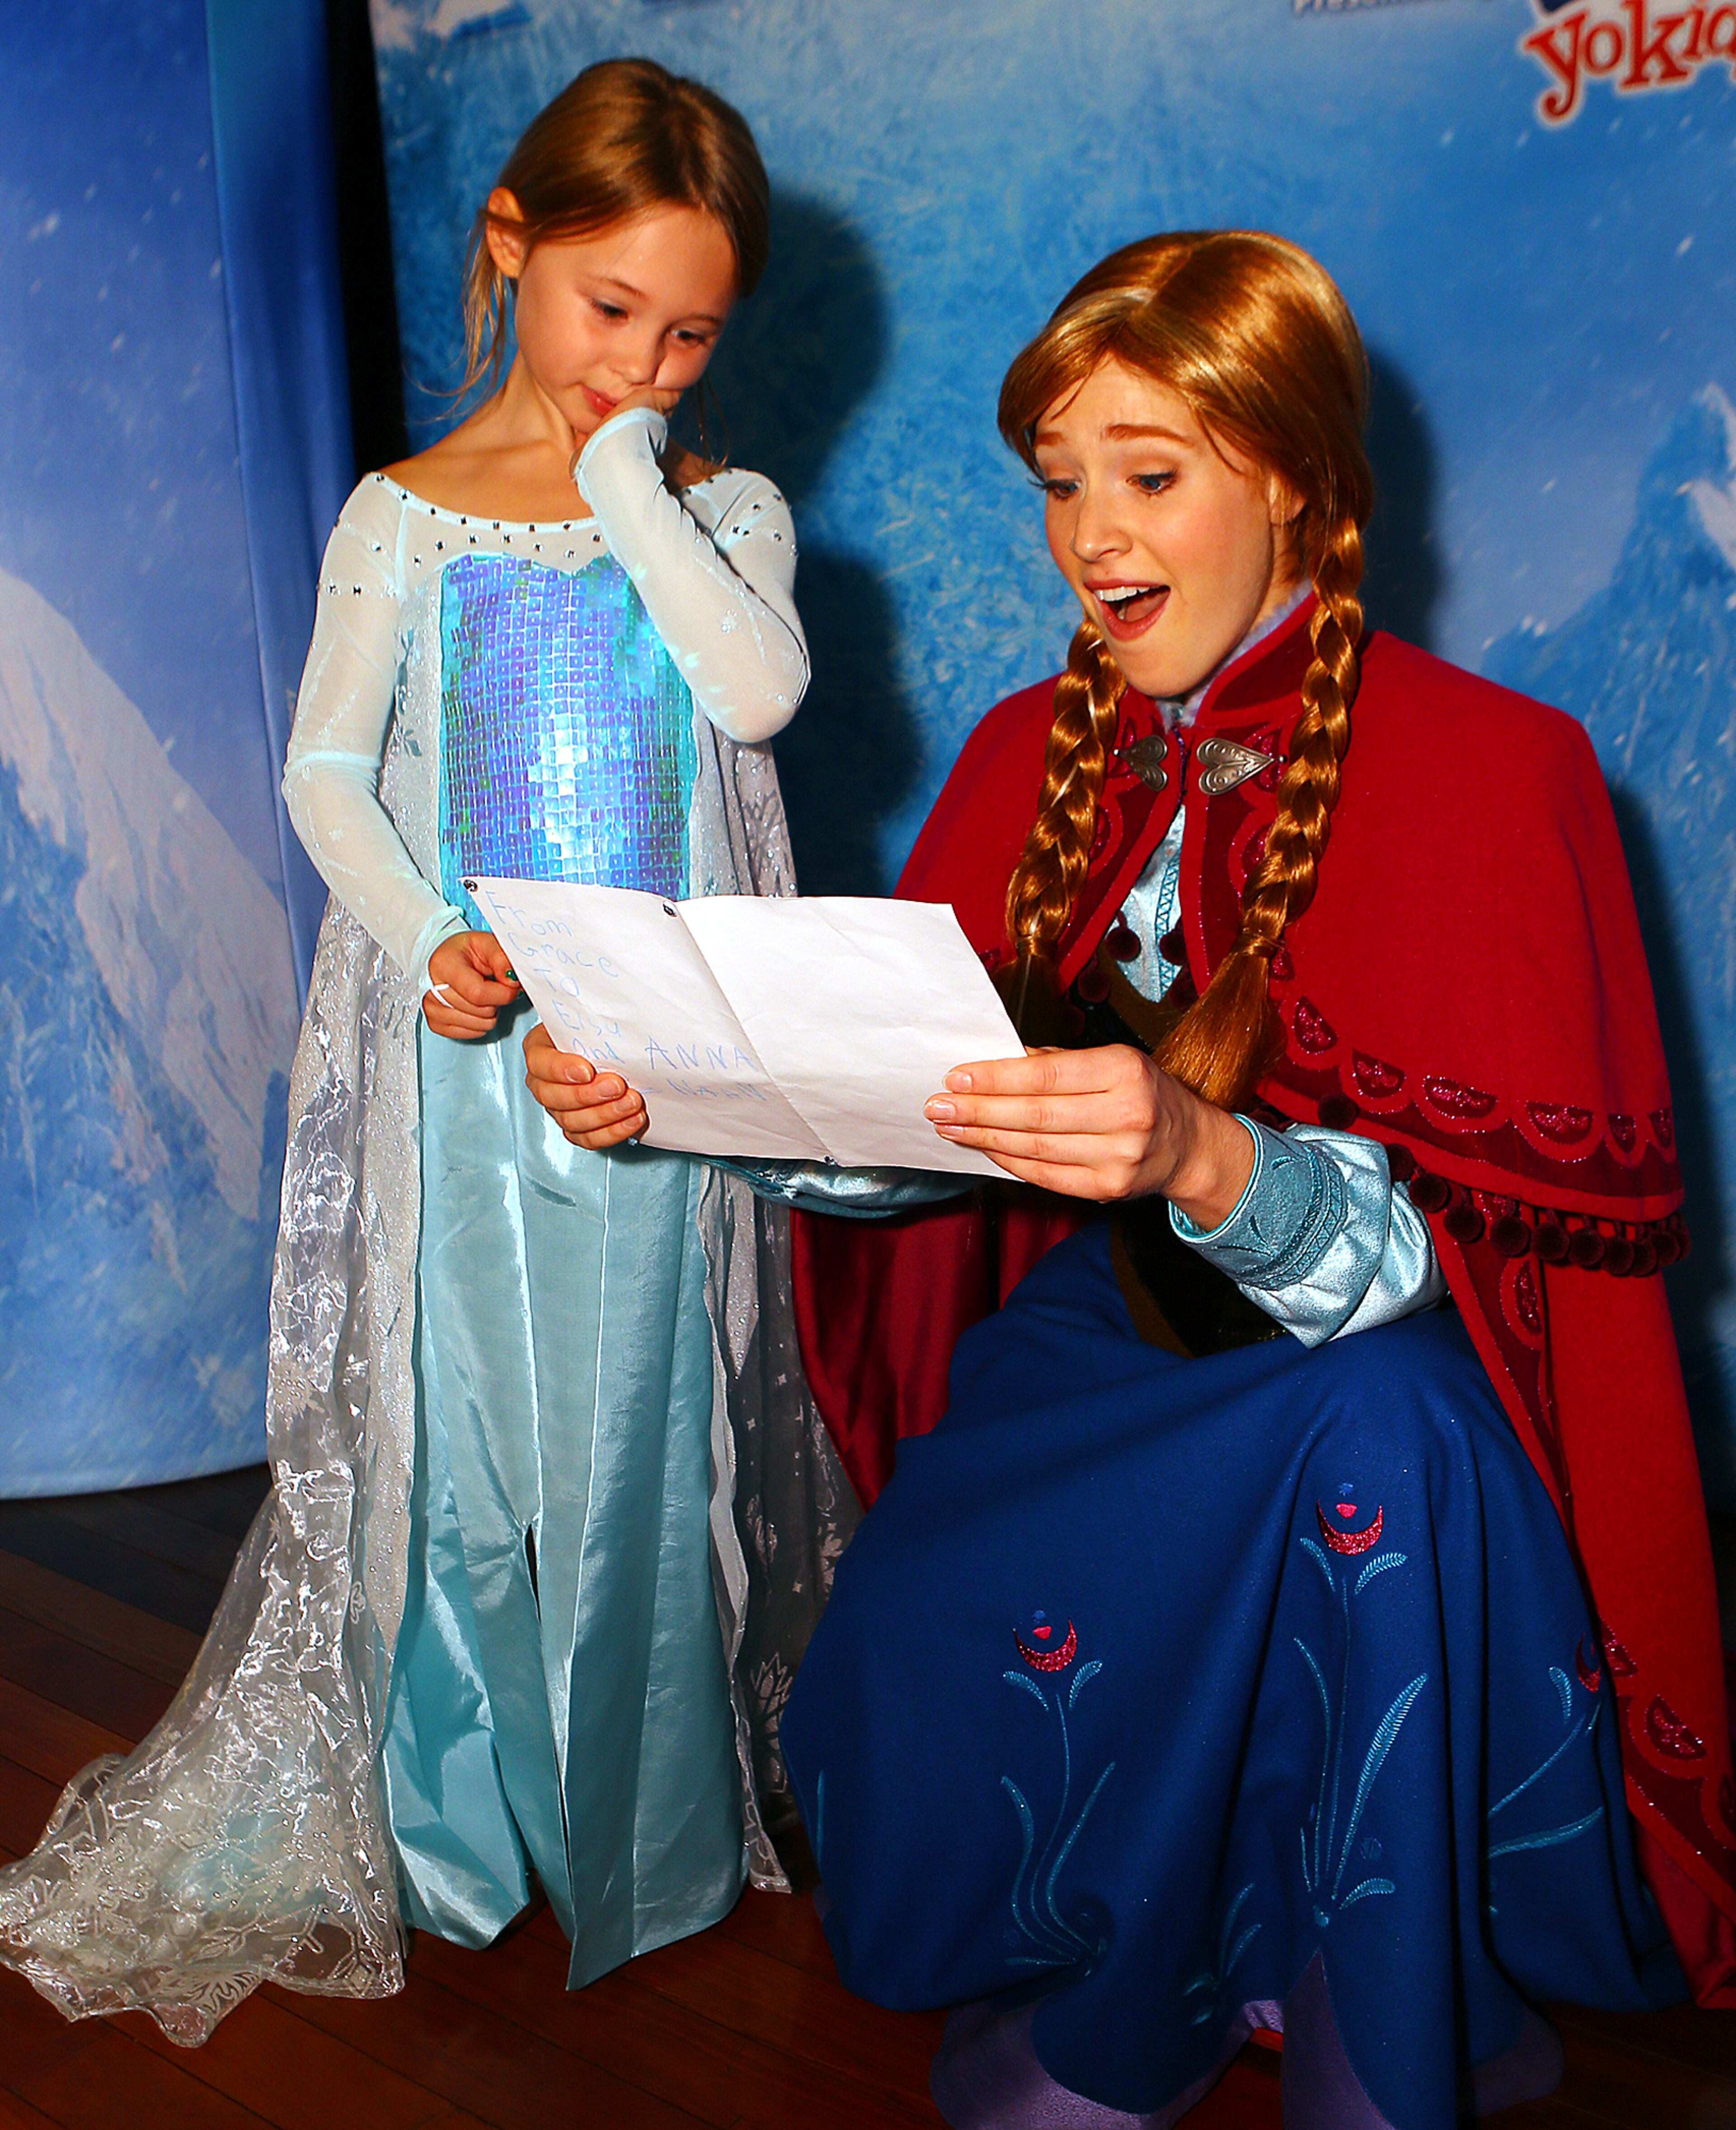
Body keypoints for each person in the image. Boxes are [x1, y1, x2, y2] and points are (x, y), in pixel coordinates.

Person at [760, 233, 1736, 2128]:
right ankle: (1179, 1955)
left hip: (1384, 1376)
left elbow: (1470, 1278)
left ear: (1288, 471)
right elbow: (911, 1141)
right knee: (904, 1640)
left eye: (1149, 473)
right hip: (1097, 1355)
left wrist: (1204, 1154)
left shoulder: (1499, 769)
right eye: (1062, 482)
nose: (1091, 537)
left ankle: (1370, 2006)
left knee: (1385, 1436)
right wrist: (710, 1093)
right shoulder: (1025, 753)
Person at [0, 58, 855, 2045]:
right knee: (458, 1456)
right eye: (609, 309)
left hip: (649, 1070)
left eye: (689, 334)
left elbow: (753, 692)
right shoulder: (402, 519)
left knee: (648, 1443)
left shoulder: (722, 514)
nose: (643, 363)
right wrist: (426, 940)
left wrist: (630, 480)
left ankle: (650, 1832)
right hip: (466, 1063)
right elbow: (325, 770)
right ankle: (459, 1830)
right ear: (509, 247)